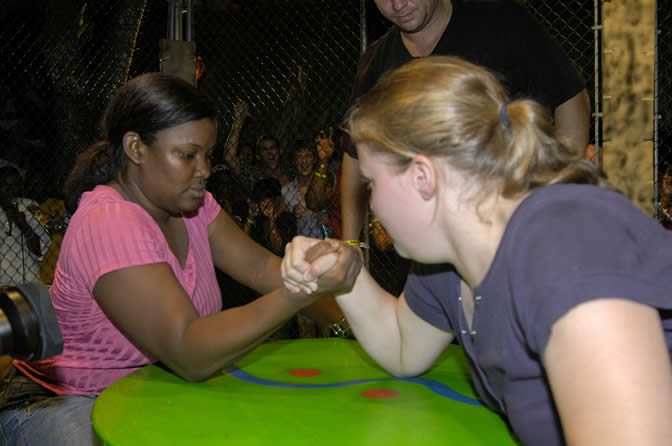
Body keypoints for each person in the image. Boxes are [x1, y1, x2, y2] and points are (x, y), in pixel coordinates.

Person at [282, 57, 672, 445]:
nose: (373, 203)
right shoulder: (452, 262)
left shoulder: (564, 245)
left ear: (423, 178)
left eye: (371, 182)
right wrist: (346, 274)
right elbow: (403, 347)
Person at [0, 72, 347, 445]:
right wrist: (299, 293)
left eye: (208, 155)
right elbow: (188, 351)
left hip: (153, 390)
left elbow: (264, 268)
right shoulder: (109, 220)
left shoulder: (196, 208)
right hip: (69, 401)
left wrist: (356, 322)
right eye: (187, 155)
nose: (205, 171)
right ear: (135, 148)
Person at [341, 0, 591, 249]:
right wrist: (351, 243)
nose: (397, 4)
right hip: (430, 248)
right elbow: (355, 155)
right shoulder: (376, 64)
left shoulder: (502, 23)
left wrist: (558, 197)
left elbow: (570, 98)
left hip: (516, 231)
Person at [0, 165, 51, 285]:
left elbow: (40, 250)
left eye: (15, 185)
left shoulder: (32, 206)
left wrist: (25, 227)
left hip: (27, 281)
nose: (10, 190)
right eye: (5, 185)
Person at [282, 139, 334, 239]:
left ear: (315, 159)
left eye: (308, 156)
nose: (304, 161)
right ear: (294, 161)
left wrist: (329, 220)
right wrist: (292, 217)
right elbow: (283, 223)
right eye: (299, 157)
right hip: (301, 247)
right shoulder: (286, 190)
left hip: (326, 244)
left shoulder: (325, 187)